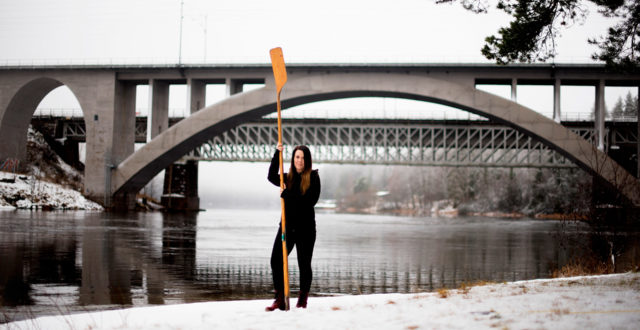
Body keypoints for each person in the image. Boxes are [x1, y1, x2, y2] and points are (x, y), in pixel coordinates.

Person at [265, 143, 321, 311]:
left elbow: (310, 201)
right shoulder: (287, 177)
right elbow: (270, 176)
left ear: (307, 160)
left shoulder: (313, 177)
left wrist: (287, 194)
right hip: (287, 228)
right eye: (297, 157)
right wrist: (277, 154)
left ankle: (302, 299)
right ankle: (280, 298)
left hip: (306, 229)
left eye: (303, 158)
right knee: (276, 260)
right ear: (293, 159)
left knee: (304, 264)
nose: (300, 160)